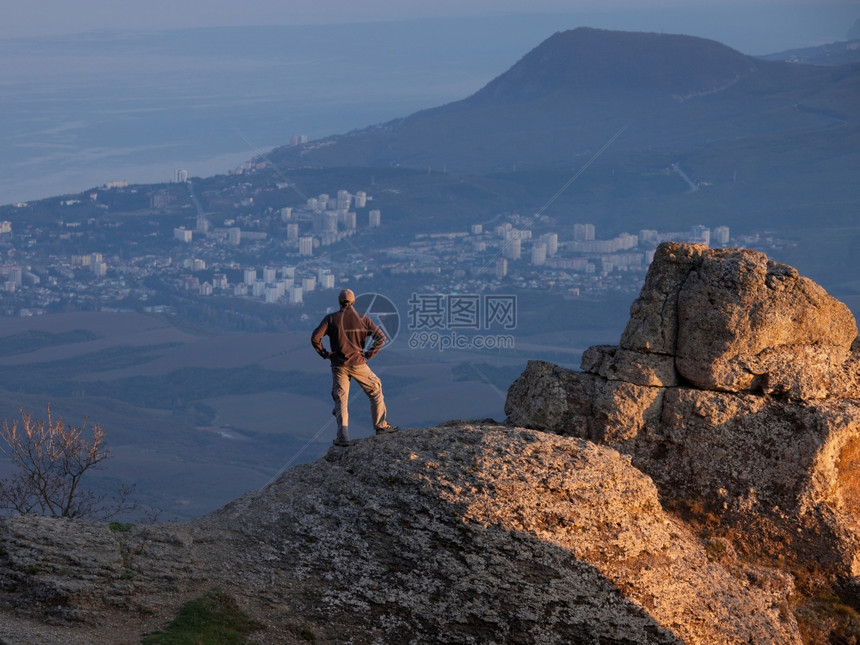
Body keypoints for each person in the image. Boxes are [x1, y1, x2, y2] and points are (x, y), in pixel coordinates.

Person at [311, 289, 398, 446]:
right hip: (359, 363)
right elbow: (381, 337)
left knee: (341, 401)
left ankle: (343, 438)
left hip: (338, 365)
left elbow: (315, 338)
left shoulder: (331, 319)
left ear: (339, 302)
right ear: (354, 302)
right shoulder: (363, 319)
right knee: (375, 390)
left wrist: (325, 354)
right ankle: (381, 426)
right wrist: (369, 354)